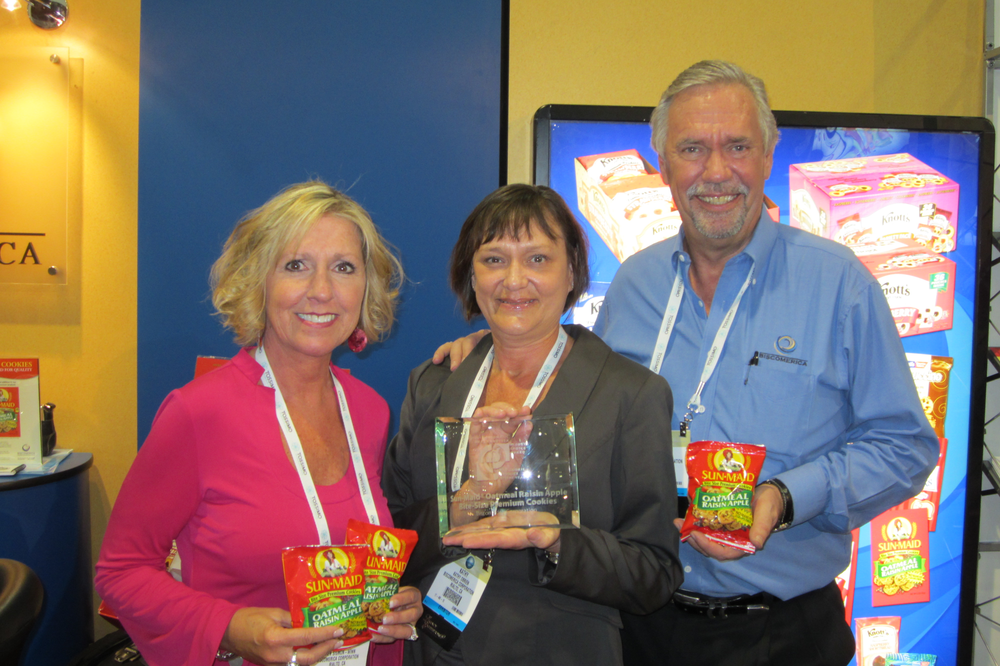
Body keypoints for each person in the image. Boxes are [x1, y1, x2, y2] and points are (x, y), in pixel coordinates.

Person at [434, 62, 939, 666]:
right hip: (639, 625)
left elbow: (905, 444)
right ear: (663, 163)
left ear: (769, 153)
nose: (717, 171)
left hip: (780, 632)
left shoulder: (840, 285)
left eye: (738, 147)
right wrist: (495, 346)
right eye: (693, 149)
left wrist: (785, 495)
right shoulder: (634, 282)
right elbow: (581, 386)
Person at [96, 182, 423, 666]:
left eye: (343, 267)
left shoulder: (369, 411)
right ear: (259, 281)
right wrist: (228, 628)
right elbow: (120, 572)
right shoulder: (198, 413)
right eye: (296, 265)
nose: (322, 290)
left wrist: (395, 603)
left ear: (365, 288)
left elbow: (351, 554)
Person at [382, 184, 683, 666]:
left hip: (560, 651)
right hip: (433, 649)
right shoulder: (433, 384)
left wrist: (558, 541)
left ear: (572, 273)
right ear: (470, 276)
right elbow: (388, 533)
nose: (514, 280)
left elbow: (655, 573)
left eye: (538, 259)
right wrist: (467, 500)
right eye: (494, 259)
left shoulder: (632, 395)